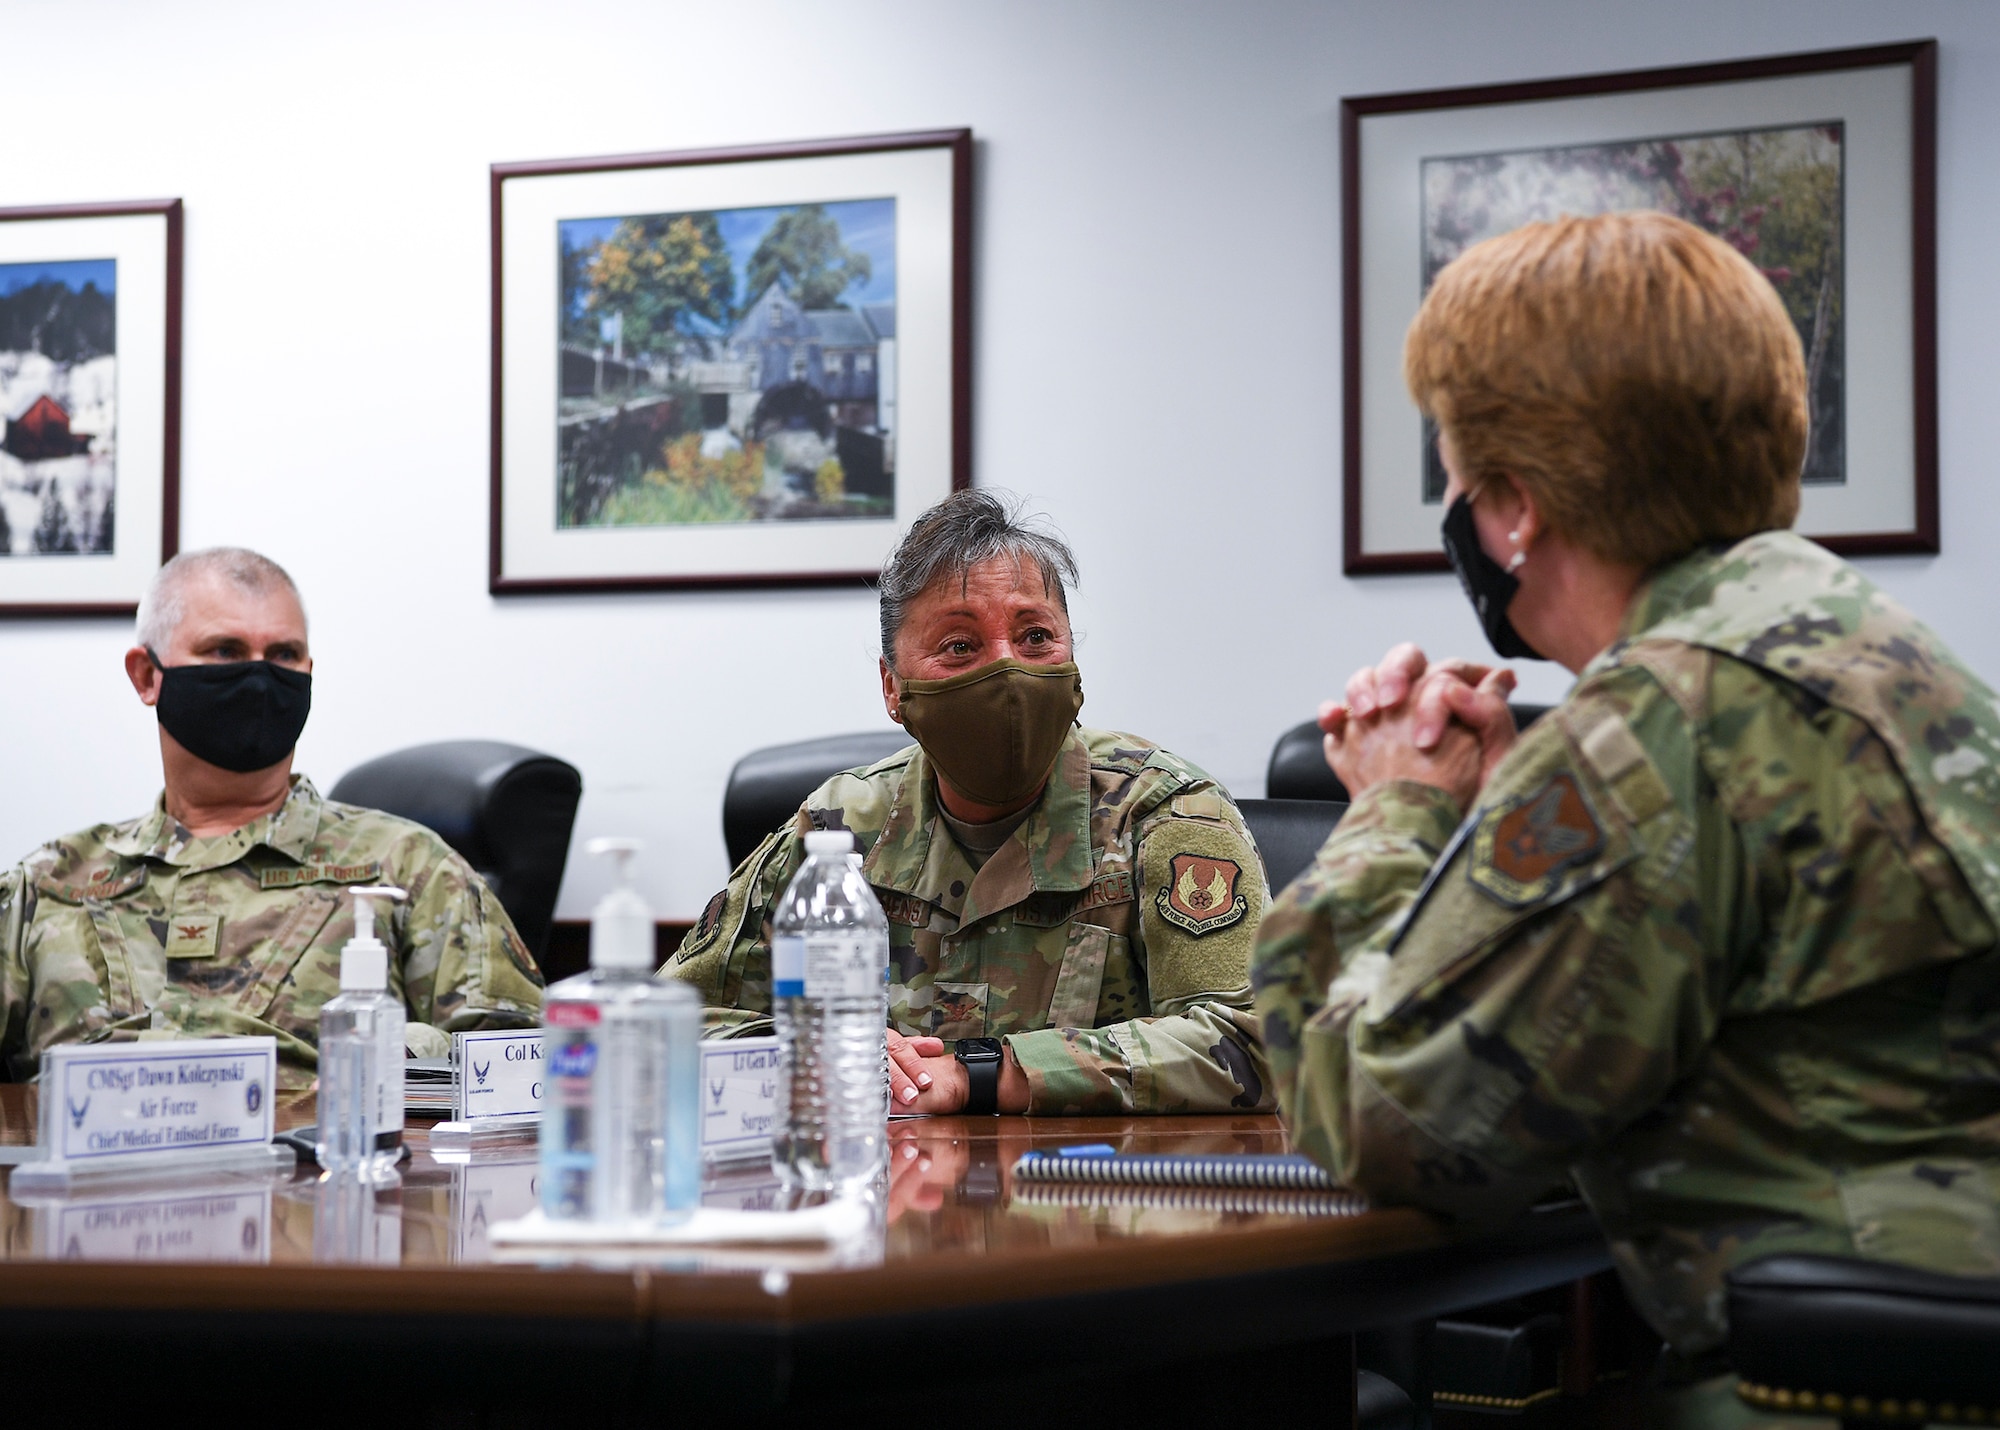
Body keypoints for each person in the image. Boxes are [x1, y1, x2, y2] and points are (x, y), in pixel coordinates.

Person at [1253, 213, 2000, 1373]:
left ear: (1512, 507)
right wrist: (1512, 810)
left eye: (1453, 475)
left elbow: (1387, 1123)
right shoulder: (1866, 647)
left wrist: (1391, 806)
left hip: (1834, 1386)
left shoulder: (1661, 721)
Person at [667, 490, 1273, 1116]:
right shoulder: (838, 828)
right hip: (887, 1193)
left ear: (1074, 664)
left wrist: (985, 1073)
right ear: (892, 687)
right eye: (959, 646)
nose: (1007, 672)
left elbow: (1255, 1043)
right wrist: (818, 1049)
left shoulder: (1164, 814)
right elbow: (667, 1021)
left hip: (1088, 1197)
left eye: (1036, 636)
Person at [0, 547, 545, 1087]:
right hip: (81, 1169)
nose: (259, 678)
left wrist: (379, 1058)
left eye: (283, 654)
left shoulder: (408, 870)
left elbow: (517, 1082)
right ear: (147, 675)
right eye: (224, 650)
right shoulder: (48, 885)